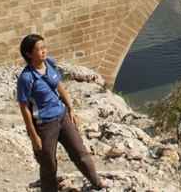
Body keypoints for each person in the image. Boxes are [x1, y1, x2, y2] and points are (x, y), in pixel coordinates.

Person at [17, 34, 113, 191]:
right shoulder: (26, 78)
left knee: (80, 152)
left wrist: (70, 107)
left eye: (44, 47)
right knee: (48, 165)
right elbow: (24, 108)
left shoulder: (50, 62)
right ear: (28, 54)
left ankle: (97, 182)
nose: (43, 51)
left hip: (63, 117)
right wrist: (34, 137)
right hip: (45, 125)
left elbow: (58, 85)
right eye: (39, 49)